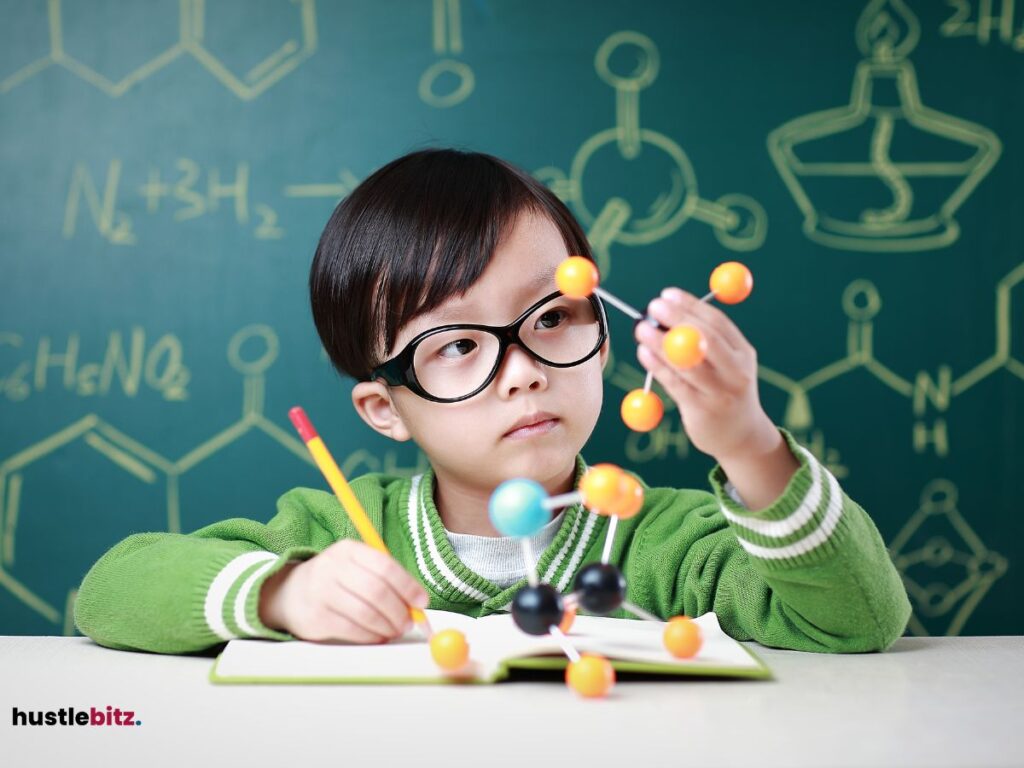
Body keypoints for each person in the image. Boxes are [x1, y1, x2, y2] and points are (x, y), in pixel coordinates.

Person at [74, 148, 911, 654]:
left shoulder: (665, 539)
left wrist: (749, 443)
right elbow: (107, 591)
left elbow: (858, 623)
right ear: (385, 409)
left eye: (550, 318)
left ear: (606, 334)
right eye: (459, 346)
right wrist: (283, 594)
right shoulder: (335, 529)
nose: (522, 371)